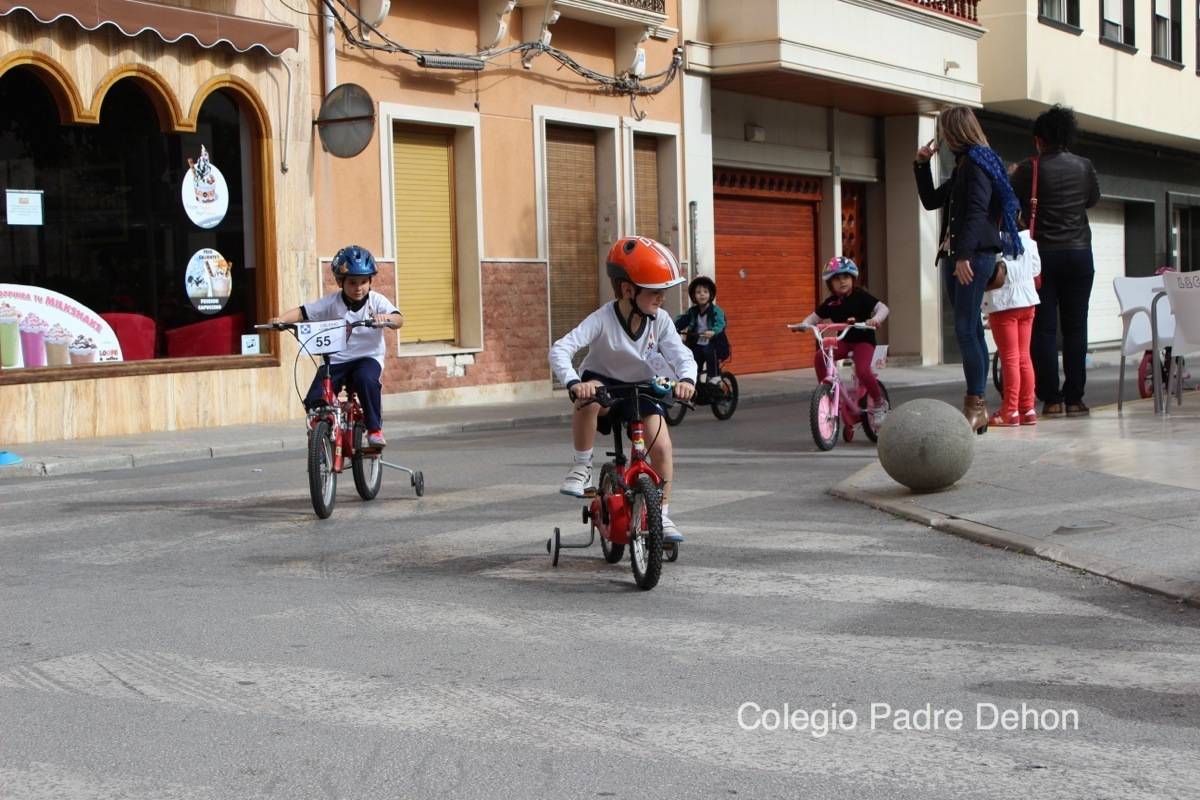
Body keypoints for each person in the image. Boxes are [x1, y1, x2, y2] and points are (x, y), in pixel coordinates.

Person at [549, 236, 697, 543]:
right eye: (654, 292)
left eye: (663, 293)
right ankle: (581, 467)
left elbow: (682, 356)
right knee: (588, 398)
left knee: (662, 447)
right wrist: (575, 383)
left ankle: (663, 515)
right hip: (603, 388)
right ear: (627, 289)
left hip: (641, 390)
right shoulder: (603, 318)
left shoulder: (661, 321)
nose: (661, 299)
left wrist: (687, 381)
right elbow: (561, 349)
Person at [914, 105, 1025, 434]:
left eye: (944, 131)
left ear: (955, 131)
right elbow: (932, 200)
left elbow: (977, 212)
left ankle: (975, 405)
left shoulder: (976, 164)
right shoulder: (965, 165)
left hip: (971, 256)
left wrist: (963, 256)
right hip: (960, 254)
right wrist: (921, 165)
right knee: (970, 328)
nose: (943, 140)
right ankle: (978, 407)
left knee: (965, 328)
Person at [1008, 105, 1101, 418]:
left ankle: (1052, 399)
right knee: (1076, 327)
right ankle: (1076, 398)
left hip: (1043, 256)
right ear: (1068, 137)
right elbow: (1092, 200)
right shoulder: (1084, 166)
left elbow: (1013, 203)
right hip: (1079, 253)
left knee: (1044, 329)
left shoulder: (1028, 169)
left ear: (1038, 139)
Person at [270, 245, 403, 448]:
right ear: (340, 282)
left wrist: (387, 318)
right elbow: (303, 312)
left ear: (370, 281)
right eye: (352, 282)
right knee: (316, 396)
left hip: (367, 358)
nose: (358, 287)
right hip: (337, 360)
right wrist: (281, 320)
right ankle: (321, 432)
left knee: (366, 380)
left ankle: (374, 430)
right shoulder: (331, 303)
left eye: (363, 282)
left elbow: (399, 319)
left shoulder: (376, 301)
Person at [796, 256, 889, 418]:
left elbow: (883, 309)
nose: (842, 282)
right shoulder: (831, 302)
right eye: (837, 279)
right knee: (820, 356)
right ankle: (826, 392)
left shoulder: (861, 296)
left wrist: (875, 319)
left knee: (862, 370)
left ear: (852, 278)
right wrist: (804, 324)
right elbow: (814, 317)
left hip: (863, 341)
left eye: (846, 277)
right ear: (830, 283)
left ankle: (879, 401)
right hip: (843, 341)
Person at [983, 222, 1041, 427]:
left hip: (1003, 303)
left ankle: (1010, 411)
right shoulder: (1028, 240)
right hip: (1028, 302)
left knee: (1009, 359)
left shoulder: (996, 239)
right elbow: (1036, 269)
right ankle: (1028, 409)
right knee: (1024, 357)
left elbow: (992, 273)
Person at [674, 275, 728, 384]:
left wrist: (713, 331)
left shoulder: (716, 311)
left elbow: (721, 323)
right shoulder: (692, 311)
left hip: (714, 342)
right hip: (697, 341)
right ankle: (694, 381)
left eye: (705, 292)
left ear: (710, 294)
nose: (702, 294)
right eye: (698, 292)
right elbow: (682, 320)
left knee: (709, 351)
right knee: (692, 357)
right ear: (694, 296)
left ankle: (714, 376)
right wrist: (673, 328)